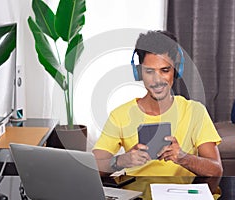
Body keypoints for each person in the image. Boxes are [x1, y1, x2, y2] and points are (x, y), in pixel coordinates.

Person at [92, 30, 223, 177]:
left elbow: (216, 170)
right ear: (139, 72)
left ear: (176, 71)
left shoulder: (195, 111)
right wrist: (120, 161)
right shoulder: (120, 115)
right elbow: (93, 166)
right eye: (149, 71)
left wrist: (183, 158)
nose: (157, 80)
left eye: (165, 70)